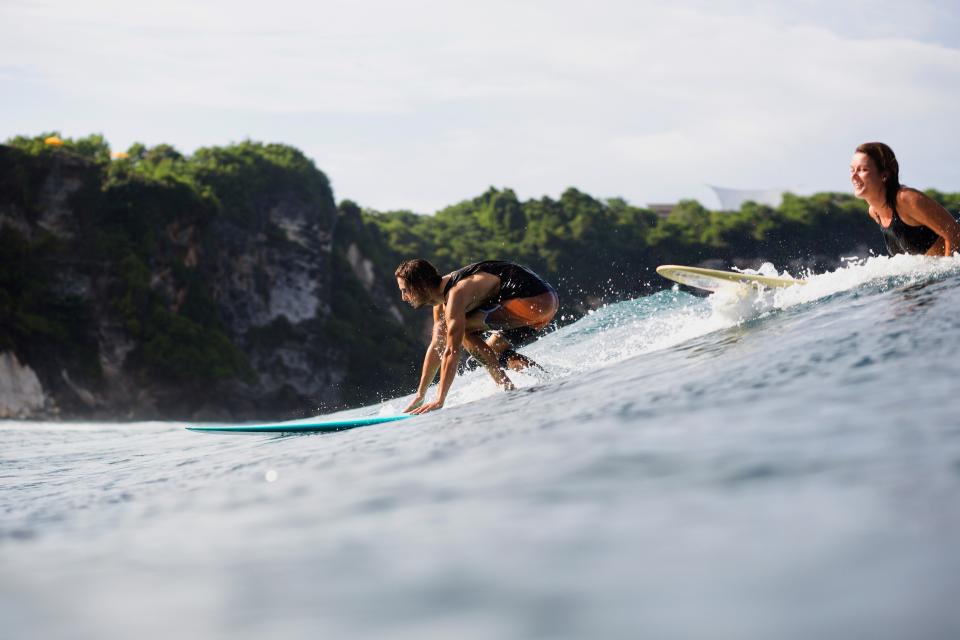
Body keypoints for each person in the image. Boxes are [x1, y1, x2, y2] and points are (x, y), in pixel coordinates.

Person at [395, 259, 559, 415]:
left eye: (405, 290)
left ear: (421, 286)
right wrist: (420, 394)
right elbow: (438, 345)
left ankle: (505, 385)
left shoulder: (456, 293)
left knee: (461, 328)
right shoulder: (440, 304)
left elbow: (452, 350)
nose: (403, 297)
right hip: (543, 305)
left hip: (535, 301)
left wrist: (439, 399)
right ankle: (548, 379)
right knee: (495, 352)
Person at [851, 142, 960, 256]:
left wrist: (948, 272)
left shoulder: (905, 199)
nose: (854, 176)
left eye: (863, 169)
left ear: (884, 175)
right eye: (852, 170)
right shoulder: (875, 212)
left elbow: (954, 232)